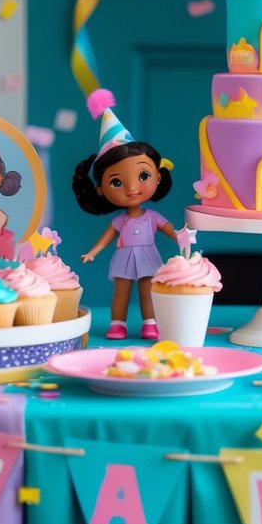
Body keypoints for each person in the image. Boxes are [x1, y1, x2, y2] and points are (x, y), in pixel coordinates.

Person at [73, 89, 179, 341]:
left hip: (148, 255)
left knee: (148, 290)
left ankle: (150, 323)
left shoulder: (152, 216)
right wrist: (93, 252)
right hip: (124, 256)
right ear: (101, 190)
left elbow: (169, 229)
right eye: (117, 182)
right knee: (120, 292)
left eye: (143, 176)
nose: (132, 188)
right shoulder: (119, 221)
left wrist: (182, 238)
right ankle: (117, 324)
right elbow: (107, 236)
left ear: (158, 176)